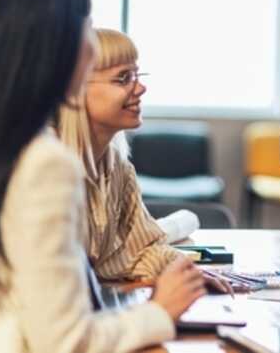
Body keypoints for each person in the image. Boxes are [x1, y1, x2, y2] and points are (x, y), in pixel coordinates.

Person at [0, 0, 206, 353]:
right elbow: (64, 342)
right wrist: (159, 311)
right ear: (59, 46)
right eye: (85, 26)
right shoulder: (45, 164)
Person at [56, 29, 230, 292]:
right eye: (123, 78)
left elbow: (141, 248)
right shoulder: (51, 171)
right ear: (77, 89)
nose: (140, 88)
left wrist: (185, 272)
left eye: (136, 75)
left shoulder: (118, 170)